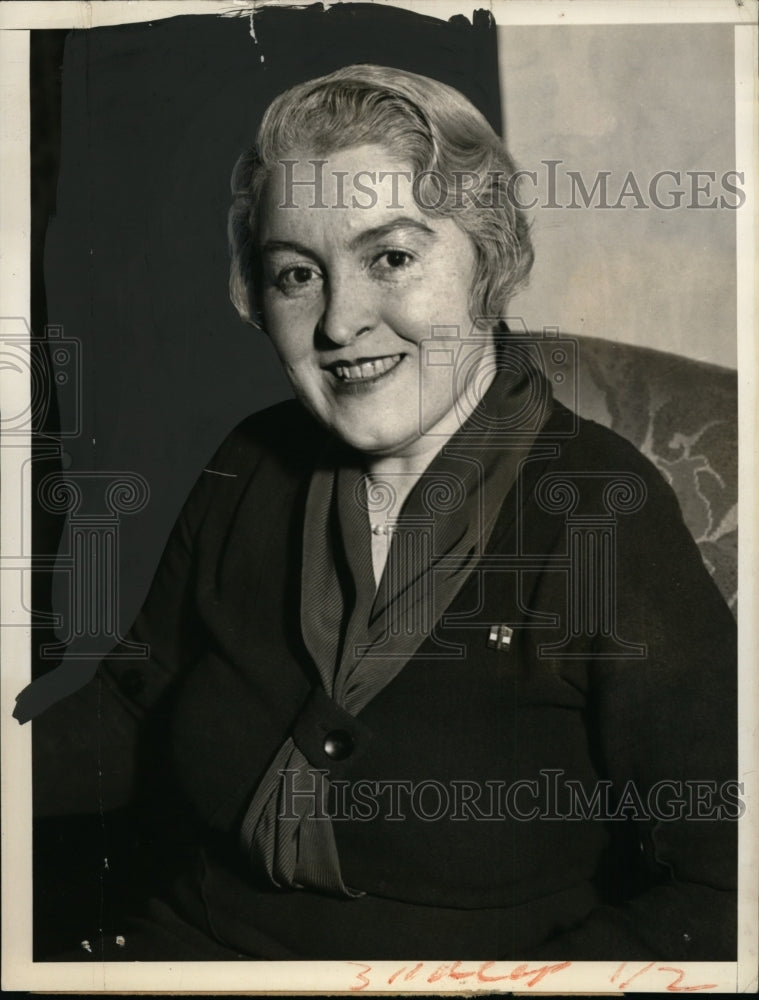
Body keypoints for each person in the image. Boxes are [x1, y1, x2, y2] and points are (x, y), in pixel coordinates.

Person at [33, 64, 737, 962]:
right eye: (297, 275)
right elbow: (130, 712)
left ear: (489, 258)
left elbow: (724, 885)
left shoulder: (597, 513)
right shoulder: (251, 463)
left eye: (391, 258)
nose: (339, 322)